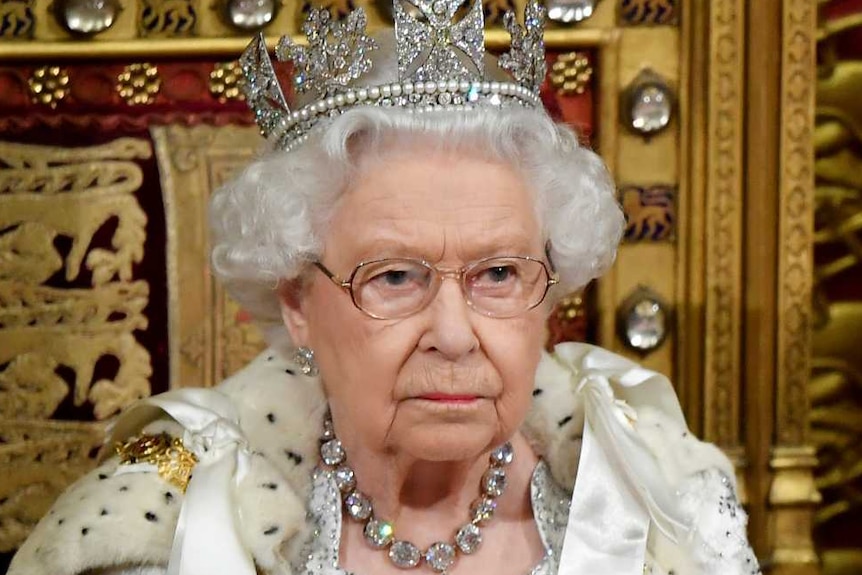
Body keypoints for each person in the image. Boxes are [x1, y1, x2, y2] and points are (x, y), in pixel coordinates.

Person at [9, 2, 761, 574]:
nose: (456, 333)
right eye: (394, 276)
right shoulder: (171, 508)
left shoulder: (657, 494)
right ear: (298, 303)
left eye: (499, 273)